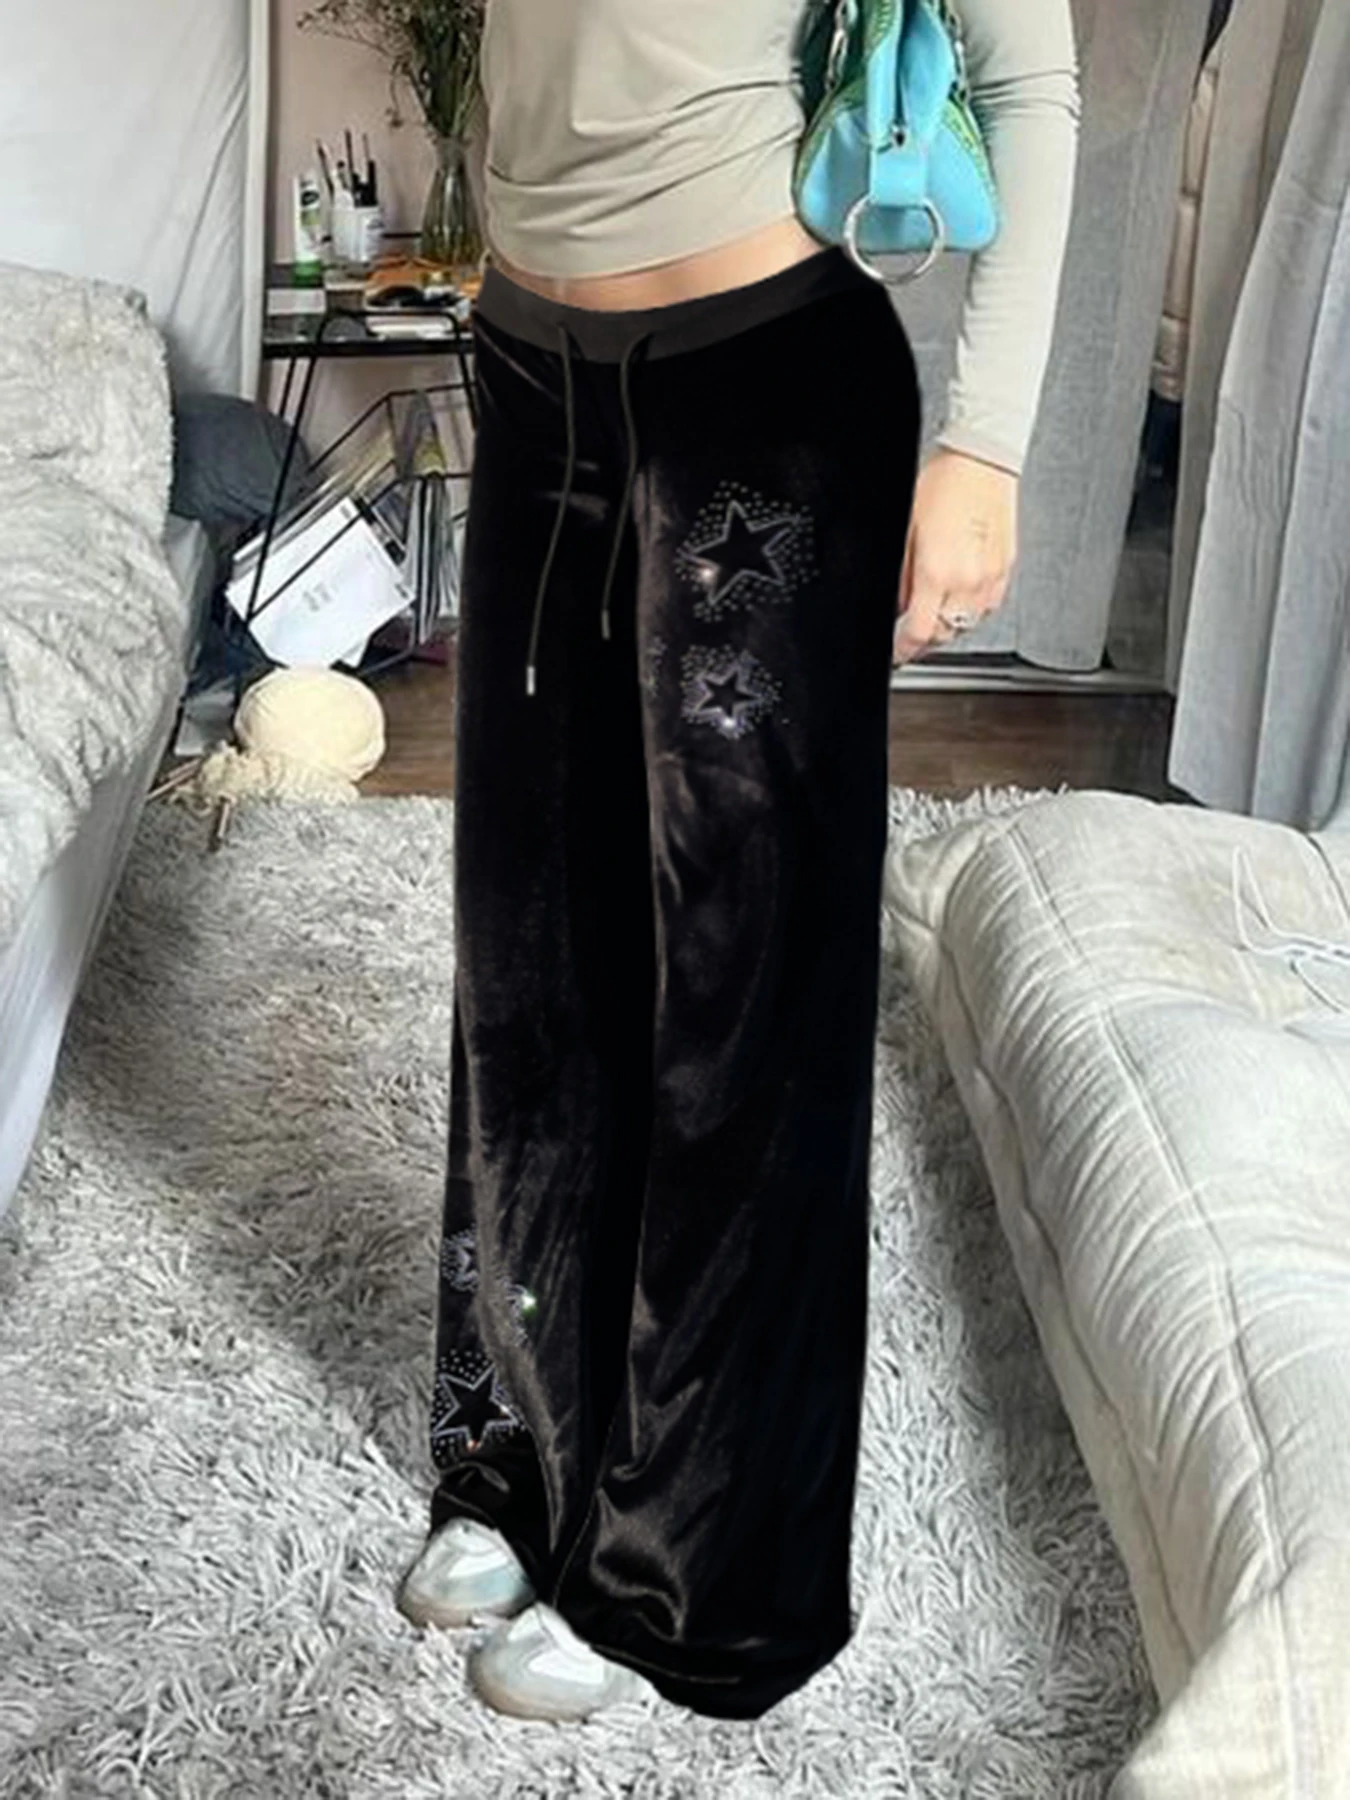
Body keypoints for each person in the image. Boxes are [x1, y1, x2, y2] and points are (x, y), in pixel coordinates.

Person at [397, 0, 1081, 1724]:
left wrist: (985, 447)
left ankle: (686, 1566)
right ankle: (523, 1458)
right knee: (527, 952)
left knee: (740, 985)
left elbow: (1032, 80)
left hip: (759, 384)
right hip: (529, 372)